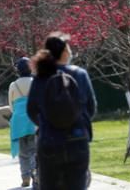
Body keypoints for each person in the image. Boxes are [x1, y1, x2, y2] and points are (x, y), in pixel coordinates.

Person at [27, 33, 97, 190]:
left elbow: (31, 110)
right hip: (77, 140)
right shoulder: (80, 74)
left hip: (49, 141)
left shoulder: (41, 77)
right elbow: (91, 108)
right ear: (65, 52)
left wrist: (47, 122)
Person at [8, 57, 37, 188]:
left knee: (23, 152)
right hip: (33, 121)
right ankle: (35, 173)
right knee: (34, 150)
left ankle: (25, 177)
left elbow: (11, 106)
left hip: (18, 123)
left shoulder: (13, 85)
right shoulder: (36, 83)